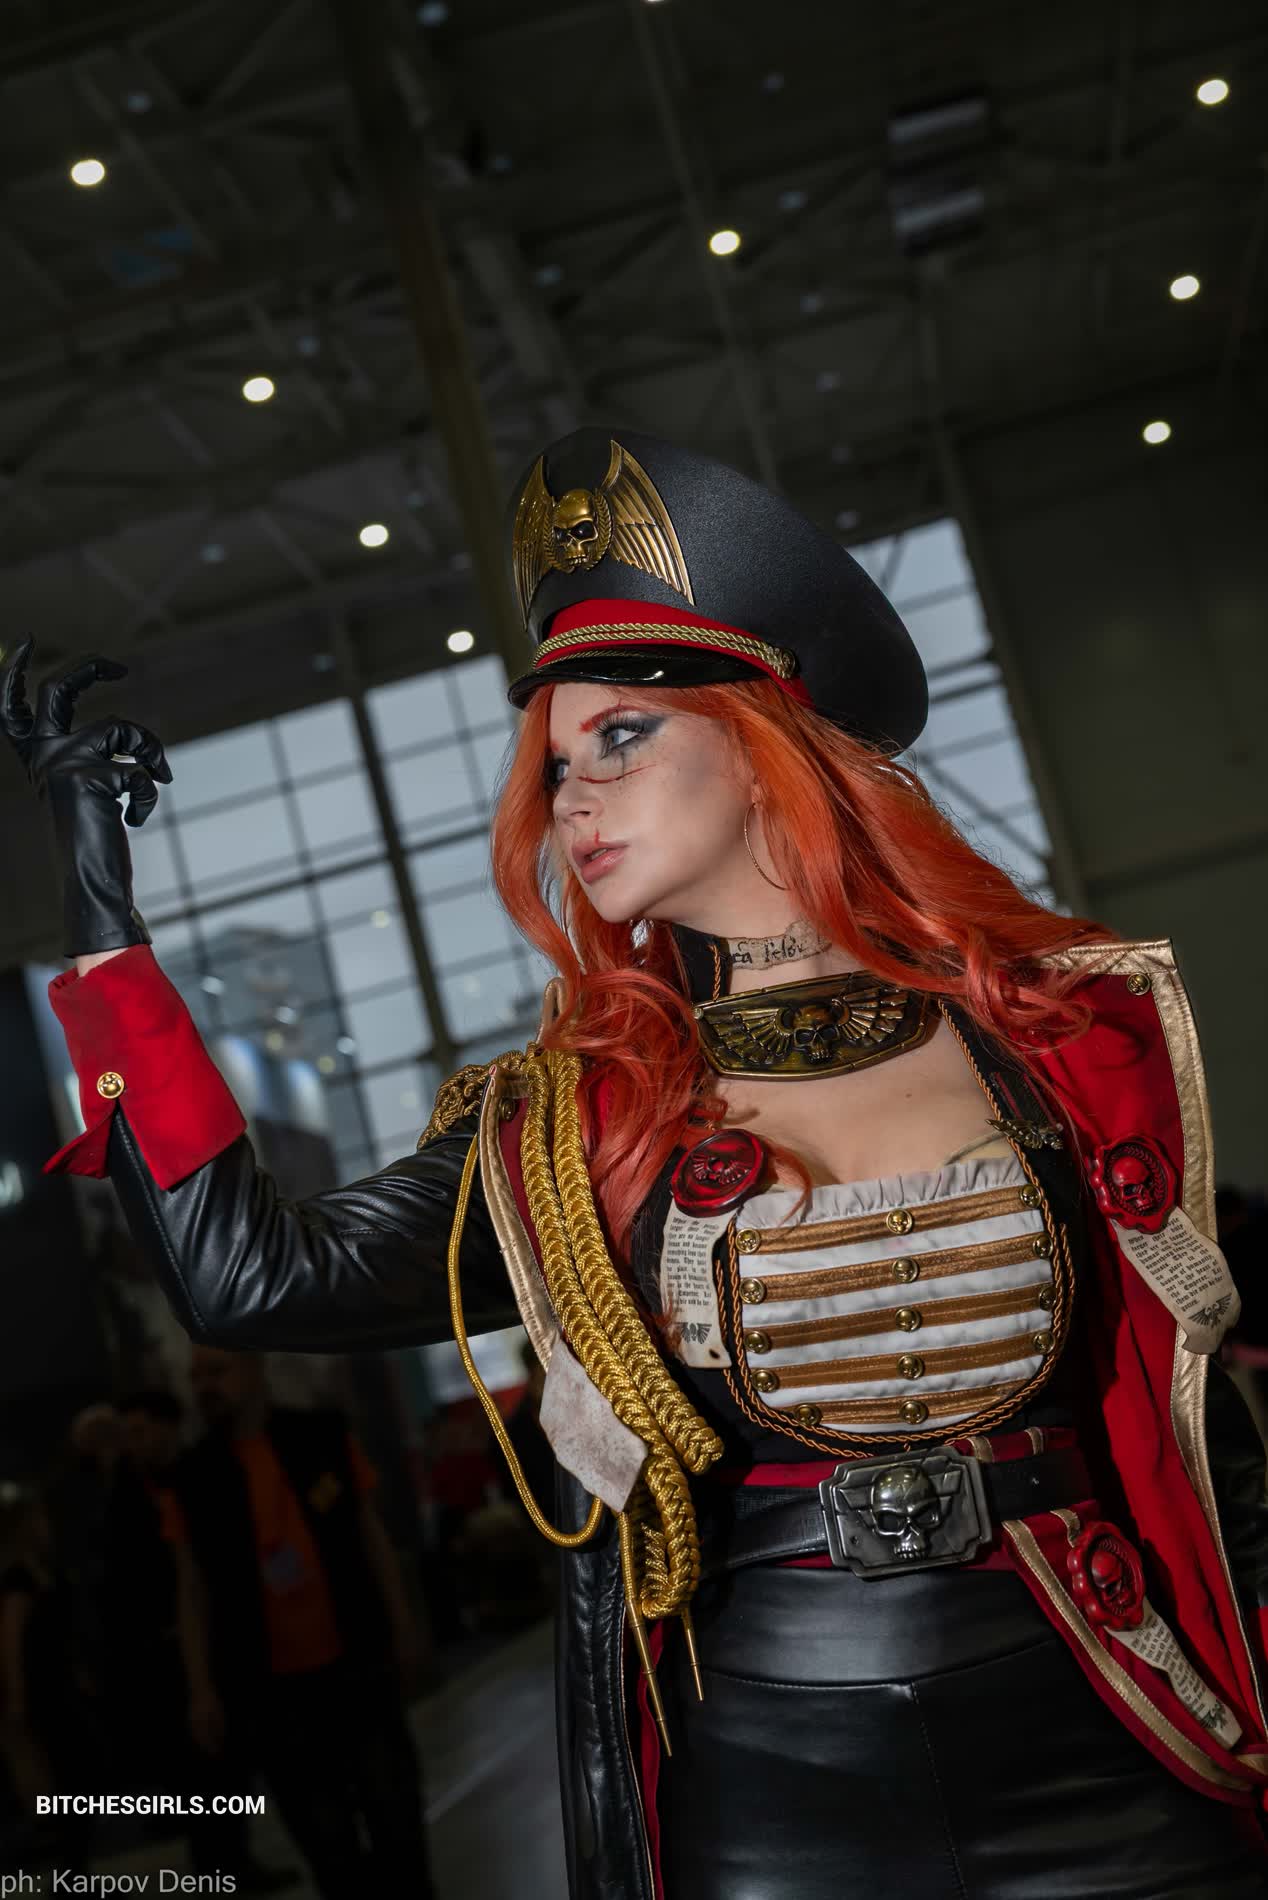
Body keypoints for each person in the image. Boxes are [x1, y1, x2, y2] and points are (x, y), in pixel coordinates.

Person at [5, 425, 1268, 1899]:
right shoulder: (575, 1130)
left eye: (620, 735)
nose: (570, 797)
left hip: (1110, 1725)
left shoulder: (1060, 1036)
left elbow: (1197, 1432)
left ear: (765, 735)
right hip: (775, 1784)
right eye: (555, 763)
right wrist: (102, 913)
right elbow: (252, 1279)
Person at [159, 1346, 435, 1898]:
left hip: (356, 1662)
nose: (204, 1385)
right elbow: (190, 1589)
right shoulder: (190, 1476)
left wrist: (402, 1624)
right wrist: (201, 1689)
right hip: (270, 1689)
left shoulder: (321, 1436)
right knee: (325, 1840)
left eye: (216, 1371)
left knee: (395, 1813)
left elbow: (369, 1533)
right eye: (196, 1376)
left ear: (254, 1369)